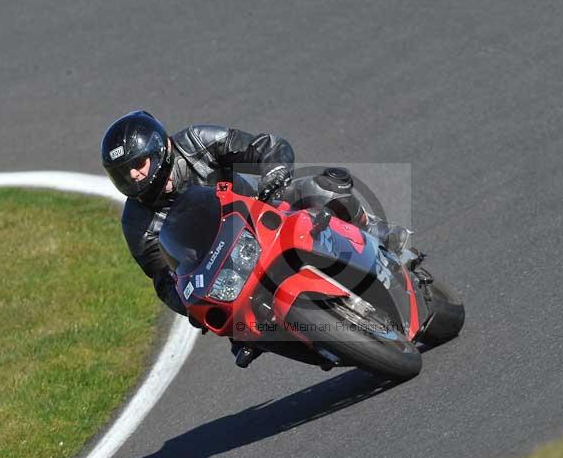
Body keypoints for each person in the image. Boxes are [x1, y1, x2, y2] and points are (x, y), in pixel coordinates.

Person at [100, 110, 409, 367]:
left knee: (319, 189)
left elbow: (264, 146)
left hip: (262, 213)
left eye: (138, 165)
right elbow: (163, 280)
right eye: (124, 173)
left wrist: (274, 173)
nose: (135, 177)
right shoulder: (136, 224)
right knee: (243, 333)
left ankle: (374, 230)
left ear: (161, 148)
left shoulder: (196, 142)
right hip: (223, 270)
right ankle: (324, 344)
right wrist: (189, 306)